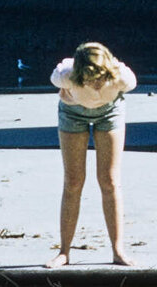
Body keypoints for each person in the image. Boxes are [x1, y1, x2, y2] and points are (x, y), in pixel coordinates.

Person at [45, 41, 138, 267]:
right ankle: (64, 252)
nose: (95, 84)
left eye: (99, 78)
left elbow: (131, 85)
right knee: (73, 181)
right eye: (88, 78)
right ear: (79, 74)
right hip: (73, 113)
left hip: (110, 114)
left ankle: (118, 251)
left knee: (109, 181)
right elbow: (54, 78)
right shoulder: (65, 74)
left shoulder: (121, 76)